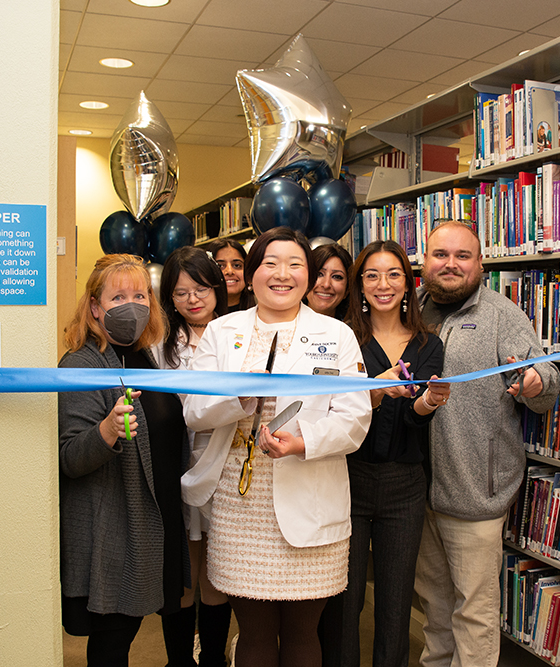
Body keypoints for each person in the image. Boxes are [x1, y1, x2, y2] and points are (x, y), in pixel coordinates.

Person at [182, 227, 372, 667]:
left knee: (304, 633)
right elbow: (194, 411)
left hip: (311, 499)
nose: (281, 274)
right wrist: (239, 399)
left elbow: (355, 419)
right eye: (269, 263)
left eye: (294, 265)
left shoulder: (336, 334)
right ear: (251, 276)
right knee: (255, 632)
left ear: (308, 276)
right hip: (240, 505)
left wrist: (303, 442)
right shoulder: (220, 330)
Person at [414, 221, 560, 667]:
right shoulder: (409, 309)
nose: (451, 265)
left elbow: (549, 382)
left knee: (474, 614)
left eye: (463, 256)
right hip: (416, 493)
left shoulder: (502, 314)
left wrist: (536, 381)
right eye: (441, 255)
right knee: (434, 611)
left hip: (475, 493)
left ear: (481, 263)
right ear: (425, 260)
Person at [58, 254, 191, 667]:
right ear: (95, 307)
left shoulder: (146, 356)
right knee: (114, 640)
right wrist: (107, 431)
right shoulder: (81, 363)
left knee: (160, 616)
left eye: (140, 294)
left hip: (160, 514)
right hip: (115, 524)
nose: (132, 305)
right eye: (118, 296)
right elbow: (69, 458)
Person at [327, 240, 450, 667]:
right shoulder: (342, 340)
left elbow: (415, 418)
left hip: (405, 487)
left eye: (394, 274)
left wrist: (429, 403)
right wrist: (374, 391)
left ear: (408, 283)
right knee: (346, 600)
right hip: (349, 480)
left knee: (397, 604)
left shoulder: (428, 344)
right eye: (373, 275)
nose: (384, 284)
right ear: (359, 284)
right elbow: (335, 409)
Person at [155, 246, 232, 667]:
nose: (192, 300)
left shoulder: (238, 333)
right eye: (181, 293)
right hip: (181, 466)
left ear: (217, 287)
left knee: (217, 575)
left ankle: (215, 658)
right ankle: (179, 661)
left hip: (227, 464)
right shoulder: (160, 348)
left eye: (201, 288)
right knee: (184, 572)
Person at [306, 243, 353, 319]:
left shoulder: (349, 330)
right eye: (319, 274)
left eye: (336, 277)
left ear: (347, 289)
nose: (326, 284)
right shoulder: (282, 327)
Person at [208, 238, 253, 313]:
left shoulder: (263, 313)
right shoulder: (198, 318)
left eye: (237, 265)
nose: (229, 271)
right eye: (220, 266)